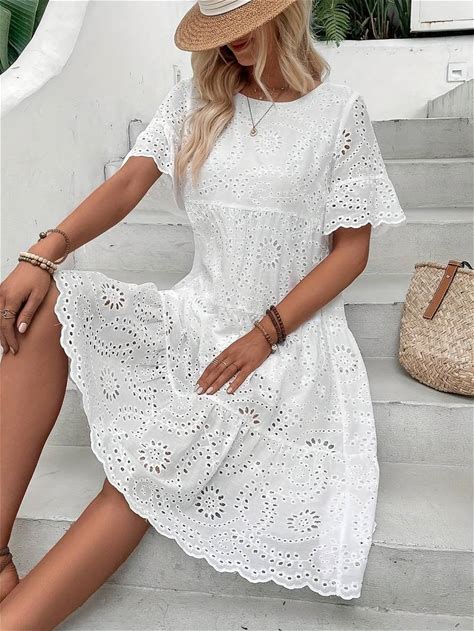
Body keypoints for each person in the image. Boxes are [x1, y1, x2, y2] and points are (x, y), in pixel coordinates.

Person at [0, 0, 407, 627]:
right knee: (48, 303)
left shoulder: (338, 113)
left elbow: (351, 251)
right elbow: (128, 183)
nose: (230, 41)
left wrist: (263, 334)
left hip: (284, 340)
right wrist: (44, 251)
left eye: (242, 23)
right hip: (197, 310)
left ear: (284, 13)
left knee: (153, 463)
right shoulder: (196, 100)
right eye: (220, 28)